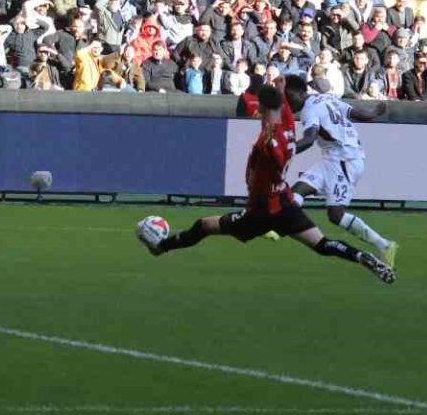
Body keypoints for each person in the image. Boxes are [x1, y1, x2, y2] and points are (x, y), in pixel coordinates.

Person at [142, 83, 394, 284]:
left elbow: (275, 145)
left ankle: (161, 248)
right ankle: (361, 256)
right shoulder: (286, 125)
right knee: (322, 244)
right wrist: (279, 90)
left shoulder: (269, 144)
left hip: (261, 210)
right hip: (285, 205)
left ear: (261, 108)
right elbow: (280, 113)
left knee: (204, 225)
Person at [280, 74, 399, 266]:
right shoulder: (326, 98)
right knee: (296, 192)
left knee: (336, 215)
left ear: (300, 92)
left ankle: (384, 245)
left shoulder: (309, 110)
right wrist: (376, 111)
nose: (286, 102)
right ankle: (280, 225)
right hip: (334, 157)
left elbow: (309, 139)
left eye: (288, 97)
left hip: (345, 160)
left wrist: (284, 152)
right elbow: (357, 113)